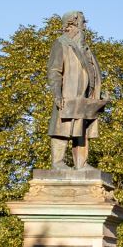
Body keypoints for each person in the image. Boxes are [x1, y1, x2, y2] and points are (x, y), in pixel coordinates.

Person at [47, 10, 107, 169]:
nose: (85, 25)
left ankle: (81, 164)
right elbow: (54, 71)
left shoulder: (85, 48)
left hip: (85, 97)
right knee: (62, 127)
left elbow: (93, 71)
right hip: (68, 94)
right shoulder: (61, 43)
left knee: (82, 129)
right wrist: (57, 93)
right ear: (72, 23)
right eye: (83, 22)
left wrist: (98, 95)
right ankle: (57, 163)